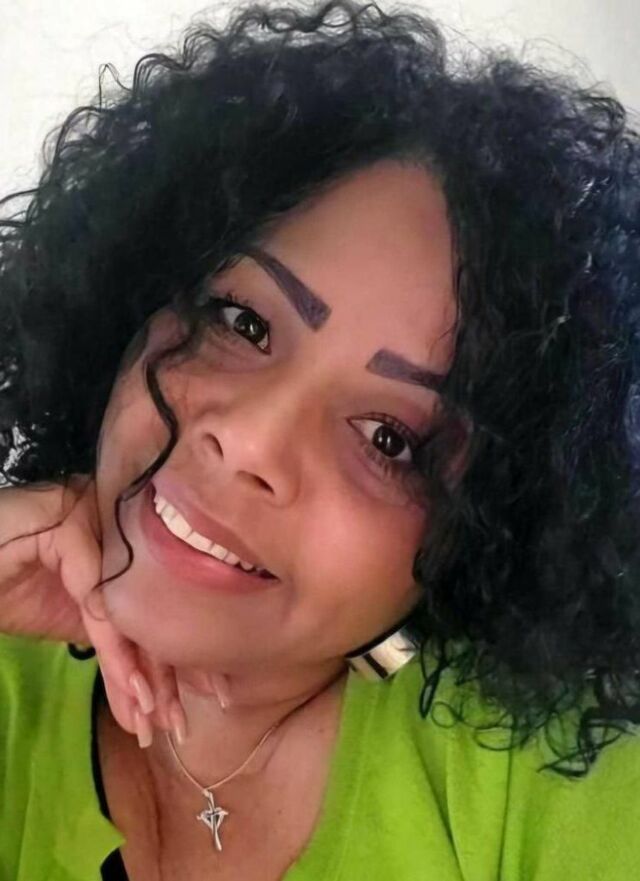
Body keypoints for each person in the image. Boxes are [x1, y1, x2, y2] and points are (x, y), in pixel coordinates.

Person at [1, 1, 639, 878]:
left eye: (389, 438)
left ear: (486, 534)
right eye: (243, 322)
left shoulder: (565, 792)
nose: (249, 440)